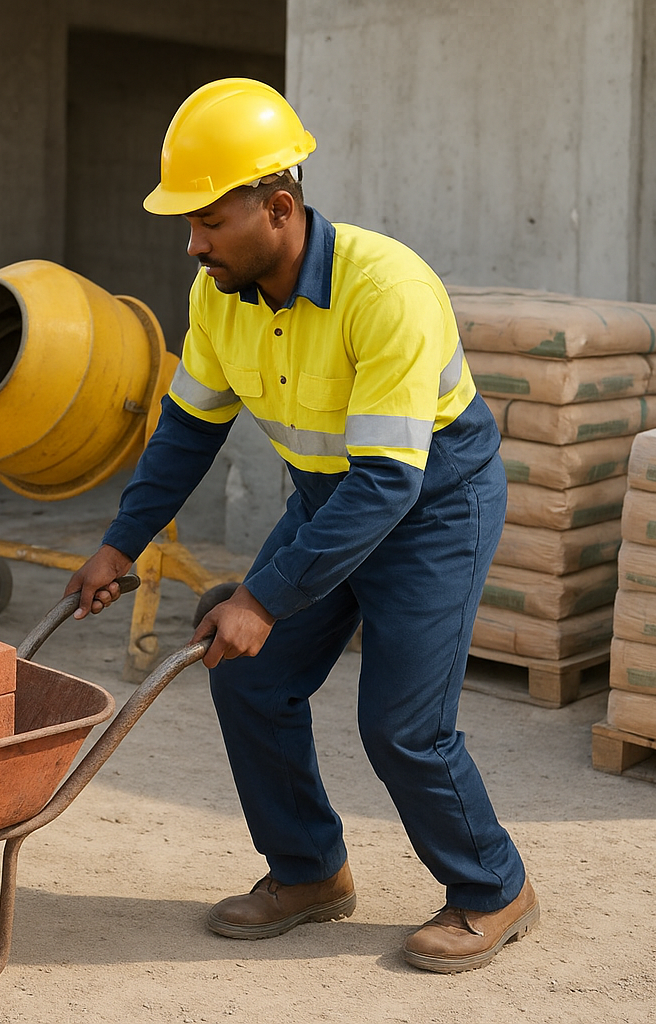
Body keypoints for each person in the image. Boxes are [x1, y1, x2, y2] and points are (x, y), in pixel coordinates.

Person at [65, 79, 538, 973]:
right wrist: (120, 542)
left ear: (278, 209)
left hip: (432, 505)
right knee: (247, 676)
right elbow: (187, 429)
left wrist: (266, 596)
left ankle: (493, 888)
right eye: (190, 224)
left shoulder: (386, 288)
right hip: (330, 500)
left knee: (402, 723)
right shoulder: (218, 295)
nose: (194, 243)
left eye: (208, 221)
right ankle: (310, 871)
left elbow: (390, 482)